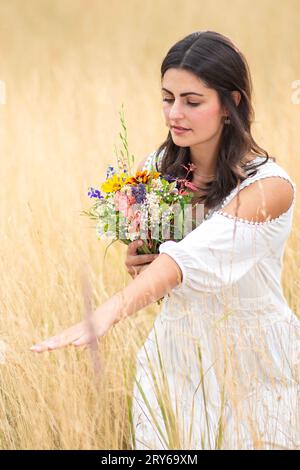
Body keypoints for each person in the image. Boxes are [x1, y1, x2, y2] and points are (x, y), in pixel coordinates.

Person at [30, 31, 299, 450]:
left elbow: (192, 257)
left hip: (253, 363)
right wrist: (141, 261)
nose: (175, 113)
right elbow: (166, 267)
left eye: (192, 102)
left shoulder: (270, 187)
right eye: (167, 98)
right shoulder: (157, 170)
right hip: (176, 357)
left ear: (232, 105)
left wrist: (105, 315)